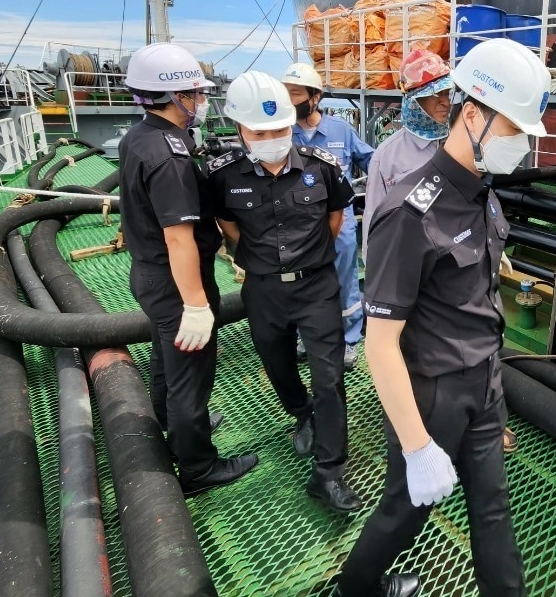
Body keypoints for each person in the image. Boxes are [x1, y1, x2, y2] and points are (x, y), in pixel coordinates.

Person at [334, 38, 551, 597]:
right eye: (514, 130)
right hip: (428, 393)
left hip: (483, 384)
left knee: (493, 510)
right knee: (404, 514)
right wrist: (416, 446)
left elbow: (481, 305)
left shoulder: (485, 196)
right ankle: (355, 588)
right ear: (472, 113)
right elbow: (381, 345)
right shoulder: (410, 213)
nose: (521, 146)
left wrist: (495, 402)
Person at [207, 72, 363, 513]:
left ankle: (329, 474)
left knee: (330, 380)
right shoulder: (222, 177)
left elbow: (335, 221)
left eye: (280, 129)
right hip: (264, 291)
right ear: (239, 128)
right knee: (277, 367)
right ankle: (302, 412)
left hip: (316, 287)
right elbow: (231, 230)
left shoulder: (323, 168)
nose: (273, 138)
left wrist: (306, 259)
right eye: (261, 132)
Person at [363, 49, 520, 455]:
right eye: (430, 97)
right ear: (410, 102)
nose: (440, 103)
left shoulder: (469, 151)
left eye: (444, 95)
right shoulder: (388, 159)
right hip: (411, 284)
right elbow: (378, 230)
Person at [119, 42, 258, 497]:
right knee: (190, 377)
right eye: (194, 94)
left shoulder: (140, 137)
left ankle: (173, 426)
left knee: (167, 361)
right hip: (178, 282)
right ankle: (198, 467)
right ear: (175, 96)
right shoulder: (170, 157)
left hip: (151, 276)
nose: (200, 101)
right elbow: (179, 237)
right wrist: (197, 305)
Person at [281, 62, 374, 371]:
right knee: (302, 283)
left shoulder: (340, 130)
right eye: (285, 92)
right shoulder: (281, 132)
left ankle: (349, 340)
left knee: (345, 281)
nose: (289, 99)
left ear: (315, 96)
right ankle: (307, 337)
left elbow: (370, 158)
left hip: (340, 223)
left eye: (295, 93)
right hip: (298, 226)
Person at [362, 49, 453, 243]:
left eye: (447, 93)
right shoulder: (387, 155)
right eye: (437, 94)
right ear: (414, 100)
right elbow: (374, 218)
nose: (445, 102)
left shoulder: (455, 145)